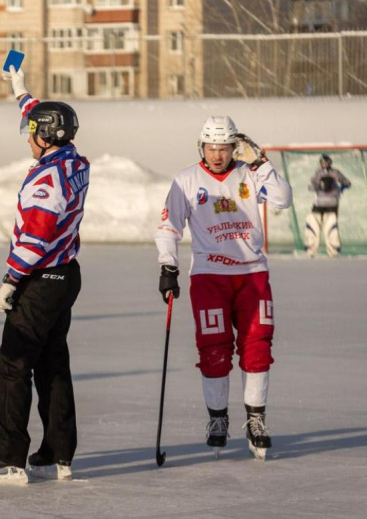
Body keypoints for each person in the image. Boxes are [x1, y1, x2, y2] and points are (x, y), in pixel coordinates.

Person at [0, 66, 88, 484]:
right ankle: (58, 452)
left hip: (40, 280)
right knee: (52, 364)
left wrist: (10, 281)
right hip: (65, 277)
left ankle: (9, 453)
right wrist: (21, 92)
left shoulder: (46, 180)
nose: (27, 135)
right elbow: (45, 116)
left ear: (46, 137)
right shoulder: (72, 159)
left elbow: (35, 239)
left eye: (31, 130)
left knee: (13, 364)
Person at [155, 116, 293, 461]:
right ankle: (218, 420)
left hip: (252, 274)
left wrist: (262, 163)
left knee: (257, 344)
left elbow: (283, 200)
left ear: (235, 147)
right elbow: (168, 226)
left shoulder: (250, 173)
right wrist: (168, 265)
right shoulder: (186, 180)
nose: (217, 155)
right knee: (214, 348)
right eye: (211, 148)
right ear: (202, 147)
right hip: (209, 276)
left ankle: (256, 420)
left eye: (224, 148)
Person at [304, 154, 351, 257]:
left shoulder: (335, 173)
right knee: (313, 225)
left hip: (332, 204)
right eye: (322, 163)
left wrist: (340, 188)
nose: (324, 164)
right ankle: (311, 248)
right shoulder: (318, 173)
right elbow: (310, 186)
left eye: (326, 162)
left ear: (330, 163)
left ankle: (333, 249)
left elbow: (347, 182)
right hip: (318, 205)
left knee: (330, 227)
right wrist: (318, 186)